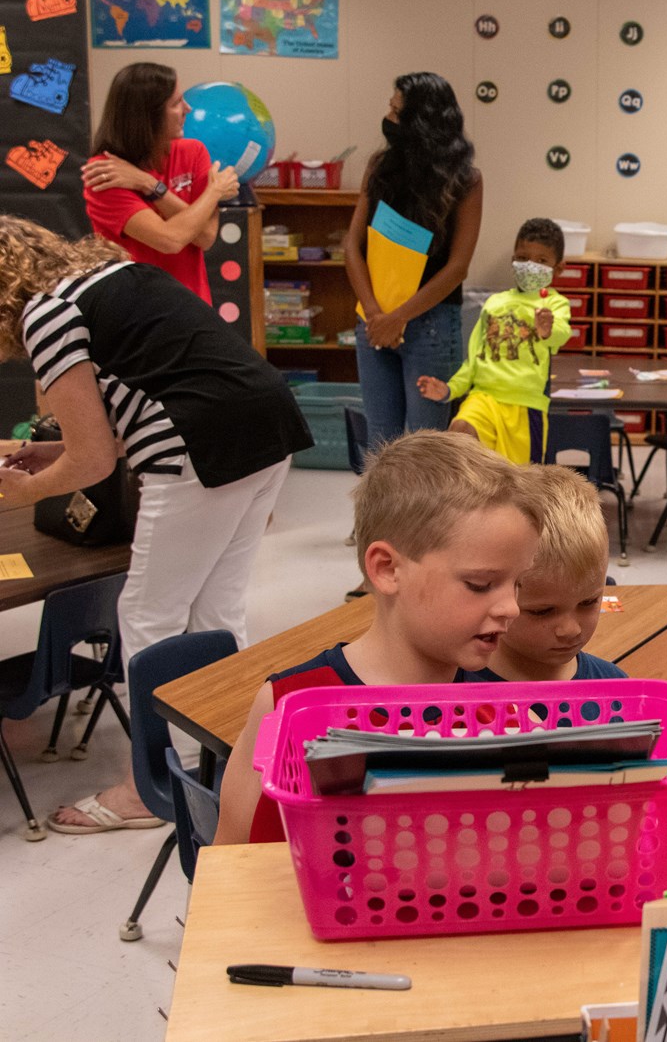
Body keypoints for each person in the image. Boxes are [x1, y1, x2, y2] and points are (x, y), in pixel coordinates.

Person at [0, 215, 312, 833]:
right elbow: (119, 424)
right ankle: (233, 759)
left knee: (147, 614)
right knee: (216, 613)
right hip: (267, 425)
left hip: (197, 445)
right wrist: (48, 452)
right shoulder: (115, 276)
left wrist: (22, 492)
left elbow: (92, 460)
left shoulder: (45, 315)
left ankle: (148, 787)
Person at [214, 431, 543, 845]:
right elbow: (228, 865)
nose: (511, 608)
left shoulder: (506, 718)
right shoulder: (287, 706)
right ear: (387, 569)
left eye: (518, 584)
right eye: (481, 584)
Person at [346, 71, 484, 445]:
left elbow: (458, 267)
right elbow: (352, 246)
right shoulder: (379, 166)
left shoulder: (465, 179)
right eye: (390, 109)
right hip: (373, 321)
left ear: (420, 123)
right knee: (381, 442)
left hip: (431, 325)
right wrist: (375, 315)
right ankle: (384, 509)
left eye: (396, 112)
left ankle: (432, 509)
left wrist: (398, 317)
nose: (388, 119)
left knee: (429, 445)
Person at [416, 218, 572, 464]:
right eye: (523, 258)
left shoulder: (554, 304)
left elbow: (561, 334)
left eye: (541, 261)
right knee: (459, 436)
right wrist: (449, 390)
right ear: (513, 260)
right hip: (484, 398)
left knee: (521, 486)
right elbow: (474, 359)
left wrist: (547, 329)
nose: (530, 266)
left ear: (558, 268)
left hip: (524, 405)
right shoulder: (494, 304)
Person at [81, 61, 239, 301]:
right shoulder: (105, 172)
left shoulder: (194, 152)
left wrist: (149, 185)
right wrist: (215, 190)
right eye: (176, 103)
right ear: (146, 115)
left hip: (193, 308)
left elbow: (205, 237)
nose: (187, 108)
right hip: (137, 313)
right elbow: (169, 240)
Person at [475, 465, 626, 683]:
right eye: (542, 611)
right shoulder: (447, 691)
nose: (570, 630)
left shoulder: (615, 687)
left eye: (589, 602)